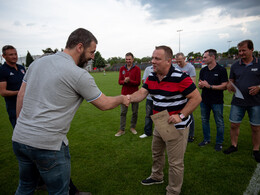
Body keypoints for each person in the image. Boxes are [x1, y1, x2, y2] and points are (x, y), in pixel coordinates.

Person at [12, 28, 130, 195]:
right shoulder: (79, 74)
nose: (92, 56)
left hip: (20, 138)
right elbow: (104, 104)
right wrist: (122, 98)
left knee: (25, 187)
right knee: (59, 191)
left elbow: (21, 95)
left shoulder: (37, 63)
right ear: (80, 47)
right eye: (92, 51)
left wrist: (22, 127)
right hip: (48, 145)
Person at [127, 46, 201, 195]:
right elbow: (142, 93)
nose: (153, 62)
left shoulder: (180, 77)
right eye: (152, 58)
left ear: (168, 61)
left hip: (176, 125)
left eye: (157, 59)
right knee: (157, 153)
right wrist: (127, 98)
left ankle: (173, 191)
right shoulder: (152, 76)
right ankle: (157, 176)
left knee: (175, 162)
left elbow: (197, 98)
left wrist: (180, 116)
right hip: (160, 122)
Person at [223, 40, 260, 163]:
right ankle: (234, 145)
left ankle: (256, 149)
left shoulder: (258, 63)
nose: (241, 53)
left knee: (255, 127)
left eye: (244, 50)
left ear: (251, 50)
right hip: (238, 101)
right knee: (234, 125)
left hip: (255, 102)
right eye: (239, 51)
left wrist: (259, 87)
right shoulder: (235, 65)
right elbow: (231, 80)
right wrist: (230, 85)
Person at [198, 49, 228, 151]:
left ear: (213, 57)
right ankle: (206, 139)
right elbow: (200, 84)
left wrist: (209, 86)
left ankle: (219, 142)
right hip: (204, 100)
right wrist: (201, 85)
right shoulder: (203, 70)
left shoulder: (221, 70)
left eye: (205, 57)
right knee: (204, 120)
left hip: (217, 101)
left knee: (219, 122)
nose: (203, 59)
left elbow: (224, 86)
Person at [115, 52, 141, 136]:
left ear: (133, 59)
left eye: (129, 59)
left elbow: (138, 83)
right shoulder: (122, 68)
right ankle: (122, 130)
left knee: (135, 112)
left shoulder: (137, 69)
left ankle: (132, 127)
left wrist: (130, 81)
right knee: (123, 112)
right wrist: (124, 81)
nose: (128, 61)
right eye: (126, 59)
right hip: (124, 94)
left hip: (135, 94)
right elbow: (119, 82)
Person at [0, 45, 26, 129]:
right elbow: (3, 92)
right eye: (11, 54)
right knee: (20, 132)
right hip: (14, 108)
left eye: (15, 54)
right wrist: (21, 93)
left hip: (27, 105)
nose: (14, 56)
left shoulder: (21, 68)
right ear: (4, 56)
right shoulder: (2, 70)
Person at [176, 52, 196, 142]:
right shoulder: (176, 68)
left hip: (187, 95)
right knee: (178, 114)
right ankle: (179, 133)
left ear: (184, 58)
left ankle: (190, 135)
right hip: (178, 96)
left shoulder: (190, 67)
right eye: (177, 61)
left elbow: (193, 82)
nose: (179, 63)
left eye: (180, 61)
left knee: (188, 114)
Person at [139, 65, 153, 138]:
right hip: (149, 97)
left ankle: (162, 133)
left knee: (161, 116)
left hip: (160, 98)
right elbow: (143, 81)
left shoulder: (163, 68)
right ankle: (147, 132)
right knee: (148, 115)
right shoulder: (148, 69)